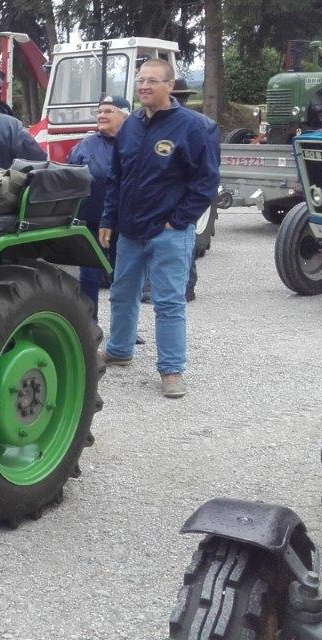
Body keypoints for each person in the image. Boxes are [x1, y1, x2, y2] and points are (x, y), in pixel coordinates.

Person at [98, 59, 219, 399]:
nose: (144, 86)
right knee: (122, 293)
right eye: (140, 81)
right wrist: (109, 218)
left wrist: (179, 220)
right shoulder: (131, 125)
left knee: (168, 302)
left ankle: (171, 371)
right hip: (130, 230)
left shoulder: (191, 127)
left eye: (152, 81)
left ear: (170, 86)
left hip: (168, 232)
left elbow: (206, 181)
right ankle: (120, 349)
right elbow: (117, 177)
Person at [68, 95, 131, 320]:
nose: (102, 115)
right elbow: (70, 183)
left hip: (125, 224)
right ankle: (89, 324)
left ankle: (124, 330)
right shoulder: (84, 147)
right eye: (100, 111)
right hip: (91, 222)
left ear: (124, 116)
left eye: (108, 111)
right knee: (89, 277)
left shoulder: (134, 144)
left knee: (123, 277)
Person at [172, 78, 221, 301]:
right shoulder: (206, 122)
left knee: (181, 237)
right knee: (186, 236)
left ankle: (184, 287)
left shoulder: (182, 124)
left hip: (180, 187)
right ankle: (186, 288)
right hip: (194, 188)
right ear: (187, 97)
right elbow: (214, 161)